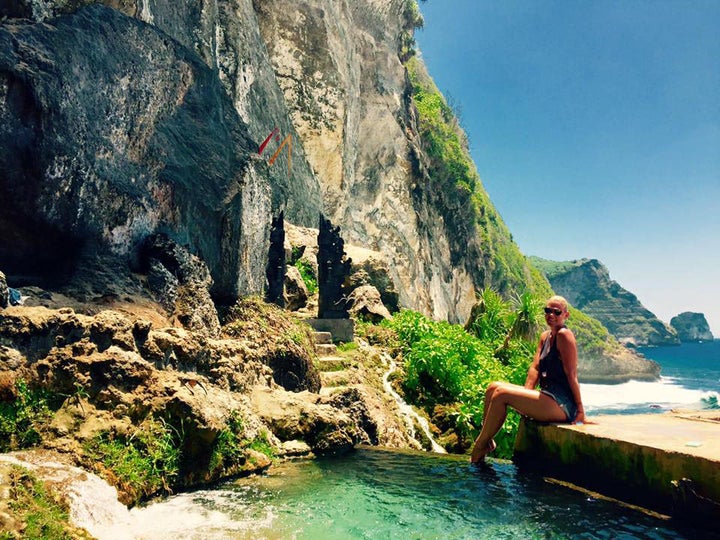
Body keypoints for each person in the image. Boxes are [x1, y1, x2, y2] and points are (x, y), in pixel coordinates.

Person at [470, 295, 588, 463]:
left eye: (557, 312)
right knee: (492, 387)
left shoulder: (564, 336)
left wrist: (580, 411)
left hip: (562, 404)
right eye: (548, 311)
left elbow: (572, 374)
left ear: (565, 315)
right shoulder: (545, 336)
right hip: (547, 396)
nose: (551, 315)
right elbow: (535, 368)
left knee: (501, 394)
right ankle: (487, 441)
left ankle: (479, 447)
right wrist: (527, 395)